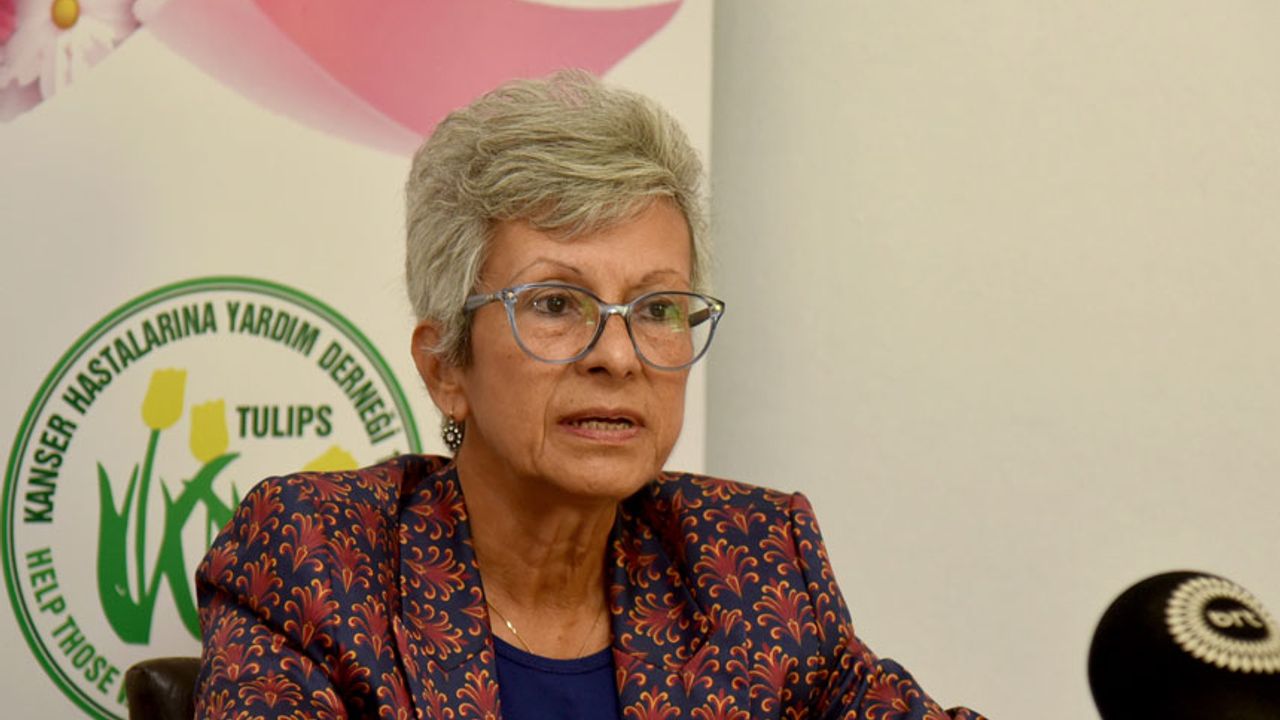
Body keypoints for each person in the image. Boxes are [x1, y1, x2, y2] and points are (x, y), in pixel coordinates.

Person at [194, 70, 984, 719]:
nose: (617, 355)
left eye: (658, 309)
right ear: (445, 368)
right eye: (555, 303)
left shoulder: (750, 564)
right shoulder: (319, 558)